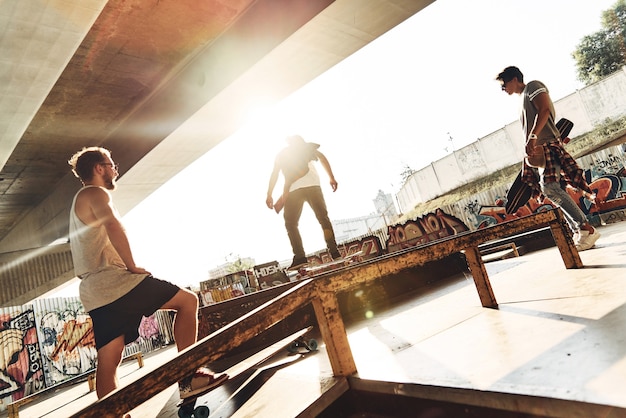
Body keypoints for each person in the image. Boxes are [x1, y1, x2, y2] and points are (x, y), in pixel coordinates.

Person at [67, 147, 227, 402]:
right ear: (99, 168)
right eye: (111, 164)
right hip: (114, 281)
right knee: (188, 301)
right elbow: (112, 225)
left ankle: (111, 413)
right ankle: (188, 377)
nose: (115, 170)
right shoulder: (94, 192)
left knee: (110, 358)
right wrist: (132, 266)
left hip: (94, 291)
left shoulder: (80, 200)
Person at [497, 66, 600, 251]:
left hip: (546, 146)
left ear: (514, 79)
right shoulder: (523, 98)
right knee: (553, 190)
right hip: (541, 150)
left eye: (504, 84)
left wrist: (533, 137)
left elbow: (544, 110)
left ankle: (585, 228)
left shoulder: (533, 86)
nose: (503, 88)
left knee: (550, 188)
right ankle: (579, 230)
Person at [266, 135, 341, 269]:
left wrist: (269, 194)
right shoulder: (306, 148)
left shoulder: (281, 154)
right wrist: (331, 178)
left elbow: (275, 173)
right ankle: (334, 252)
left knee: (291, 224)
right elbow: (323, 158)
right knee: (323, 218)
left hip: (293, 191)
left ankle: (300, 257)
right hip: (313, 186)